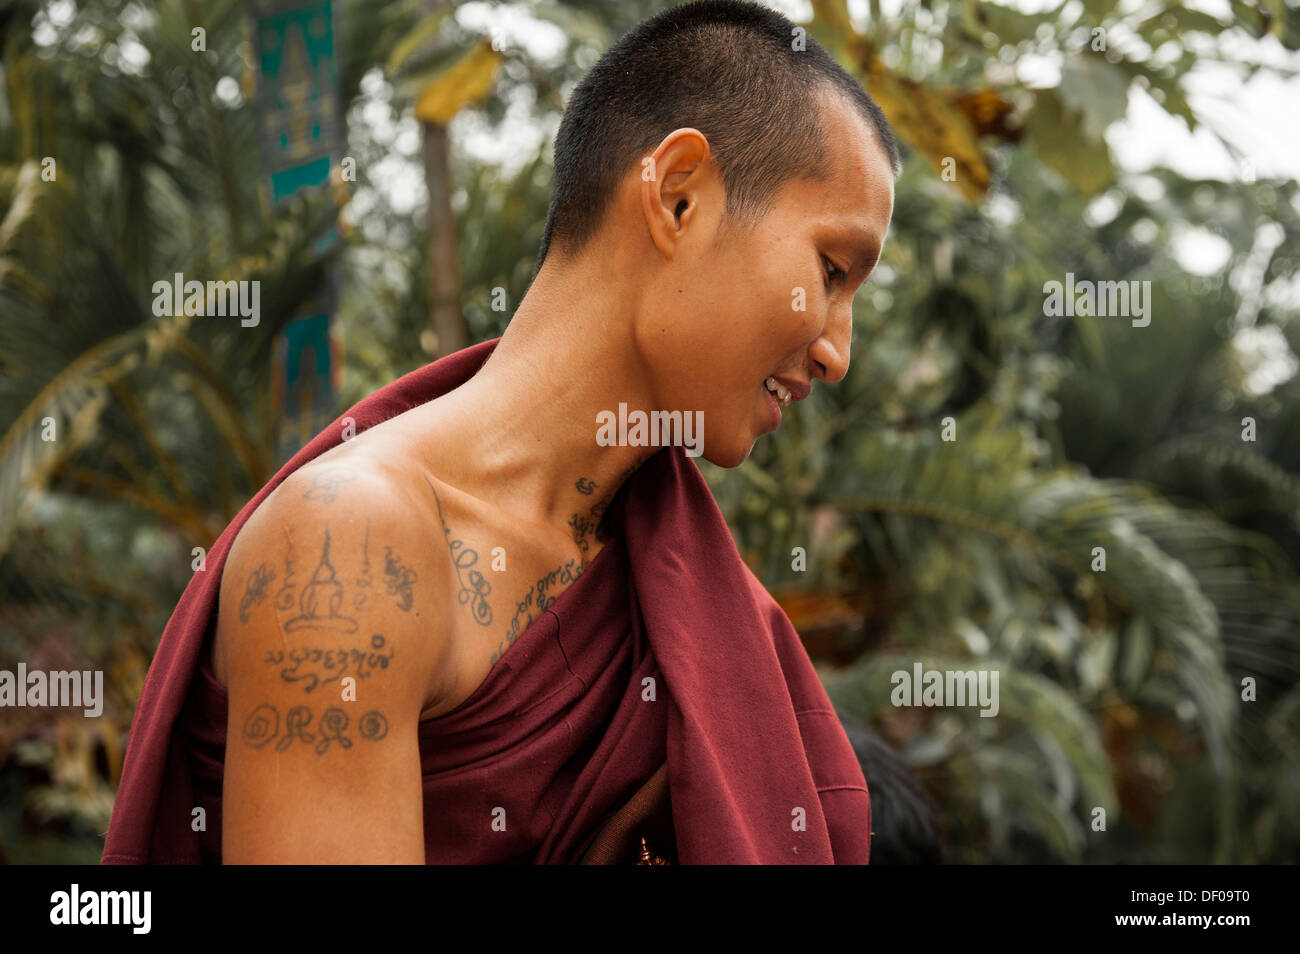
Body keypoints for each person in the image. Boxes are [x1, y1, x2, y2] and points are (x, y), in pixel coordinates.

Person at [102, 0, 899, 865]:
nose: (836, 352)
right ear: (677, 197)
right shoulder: (351, 546)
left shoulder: (688, 595)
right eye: (829, 270)